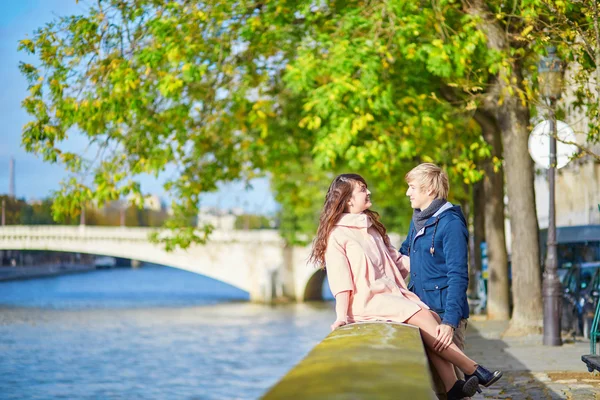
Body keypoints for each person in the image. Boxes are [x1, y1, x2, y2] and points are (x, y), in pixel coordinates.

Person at [309, 174, 502, 400]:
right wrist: (341, 315)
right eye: (362, 189)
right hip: (367, 300)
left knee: (429, 318)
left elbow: (397, 261)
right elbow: (341, 280)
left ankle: (452, 387)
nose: (368, 192)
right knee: (423, 316)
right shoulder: (338, 235)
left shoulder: (372, 228)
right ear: (349, 200)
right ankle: (473, 369)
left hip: (390, 296)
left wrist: (435, 264)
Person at [399, 163, 499, 397]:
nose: (408, 193)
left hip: (444, 314)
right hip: (422, 310)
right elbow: (403, 253)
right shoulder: (418, 220)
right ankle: (474, 373)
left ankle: (475, 372)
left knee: (449, 389)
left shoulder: (450, 223)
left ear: (429, 190)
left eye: (412, 187)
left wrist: (450, 321)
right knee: (444, 387)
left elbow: (458, 275)